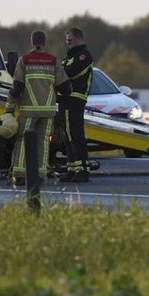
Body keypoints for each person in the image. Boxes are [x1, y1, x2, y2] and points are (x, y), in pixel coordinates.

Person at [5, 30, 70, 209]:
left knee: (23, 141)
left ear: (32, 41)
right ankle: (40, 176)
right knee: (43, 142)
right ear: (45, 42)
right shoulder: (53, 61)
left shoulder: (24, 60)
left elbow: (17, 87)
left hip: (28, 109)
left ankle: (18, 175)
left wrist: (9, 109)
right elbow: (65, 87)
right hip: (48, 110)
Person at [58, 27, 93, 183]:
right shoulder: (68, 57)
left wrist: (60, 71)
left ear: (78, 38)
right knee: (67, 136)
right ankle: (72, 169)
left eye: (70, 40)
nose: (68, 43)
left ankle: (82, 170)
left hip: (75, 100)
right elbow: (60, 72)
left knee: (75, 135)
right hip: (65, 100)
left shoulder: (84, 56)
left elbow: (70, 72)